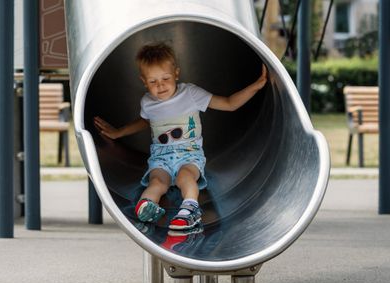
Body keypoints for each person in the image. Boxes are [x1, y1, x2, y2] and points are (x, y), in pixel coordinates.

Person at [94, 42, 267, 231]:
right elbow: (145, 122)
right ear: (144, 81)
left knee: (186, 177)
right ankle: (145, 207)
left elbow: (229, 103)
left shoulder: (190, 94)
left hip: (189, 154)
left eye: (165, 78)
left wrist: (256, 86)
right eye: (153, 82)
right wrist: (119, 132)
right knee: (157, 182)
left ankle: (190, 210)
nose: (160, 86)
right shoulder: (147, 102)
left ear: (176, 73)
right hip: (161, 157)